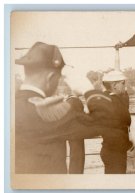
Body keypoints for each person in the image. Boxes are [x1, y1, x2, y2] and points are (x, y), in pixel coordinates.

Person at [14, 42, 118, 174]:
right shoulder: (44, 111)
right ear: (50, 77)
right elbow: (107, 120)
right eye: (57, 79)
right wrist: (88, 90)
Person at [83, 70, 132, 174]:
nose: (125, 86)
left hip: (110, 149)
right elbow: (123, 123)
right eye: (122, 83)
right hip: (115, 152)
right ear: (114, 85)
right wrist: (130, 145)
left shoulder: (108, 99)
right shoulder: (113, 101)